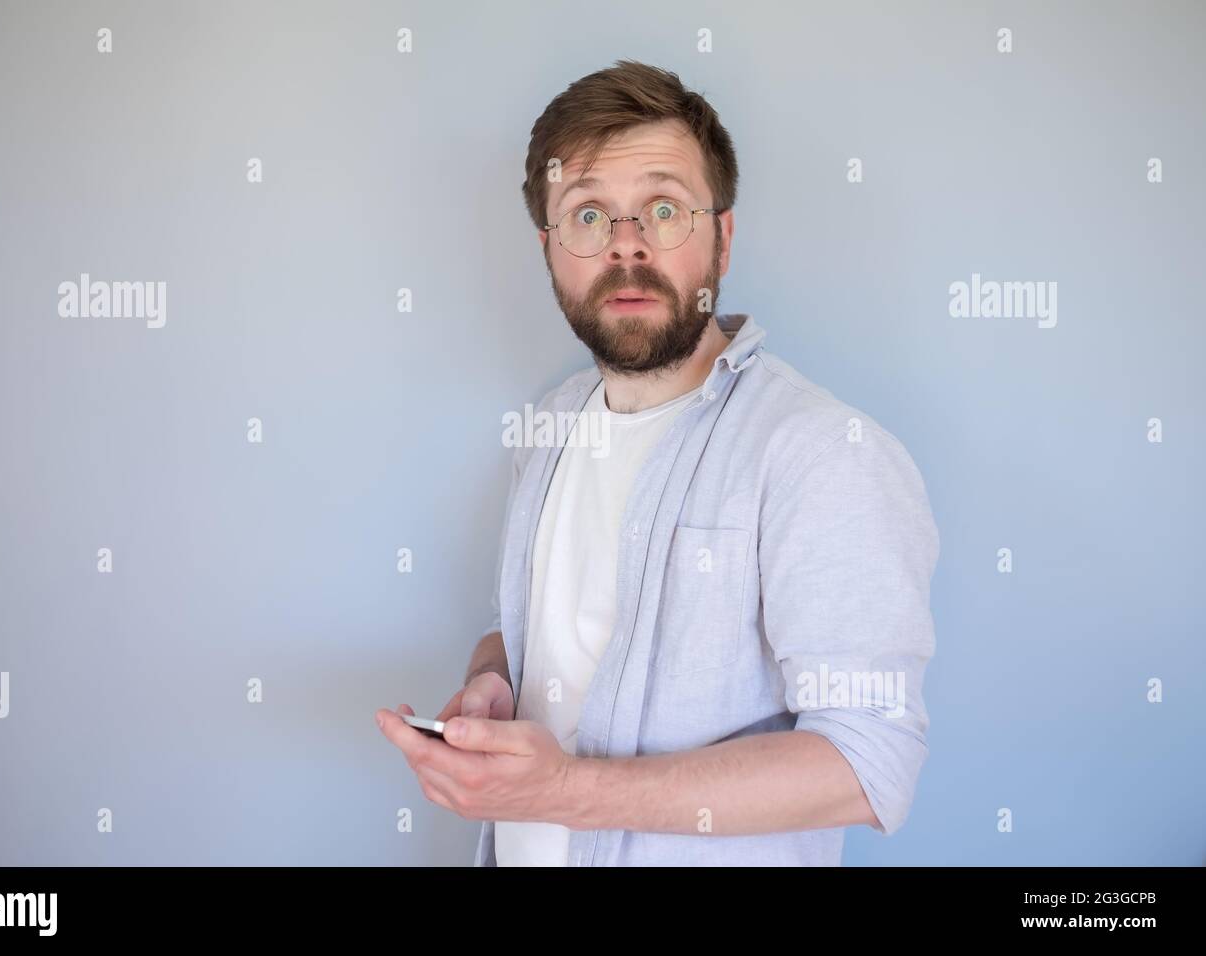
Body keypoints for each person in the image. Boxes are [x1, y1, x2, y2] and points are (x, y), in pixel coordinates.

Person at [376, 59, 939, 866]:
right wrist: (492, 684)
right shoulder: (552, 423)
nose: (627, 245)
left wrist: (563, 790)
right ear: (550, 248)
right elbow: (538, 626)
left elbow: (866, 763)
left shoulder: (821, 454)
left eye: (665, 209)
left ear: (723, 236)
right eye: (588, 215)